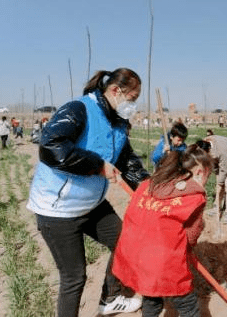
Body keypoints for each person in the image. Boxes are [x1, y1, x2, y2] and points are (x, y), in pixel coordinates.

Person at [27, 68, 150, 317]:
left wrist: (151, 191)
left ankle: (111, 299)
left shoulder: (117, 121)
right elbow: (51, 147)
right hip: (58, 209)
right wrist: (97, 164)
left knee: (124, 242)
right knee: (74, 277)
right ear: (116, 91)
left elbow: (128, 163)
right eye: (133, 99)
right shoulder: (78, 109)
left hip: (92, 204)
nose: (134, 105)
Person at [112, 144, 214, 317]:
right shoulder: (194, 197)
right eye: (208, 177)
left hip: (134, 256)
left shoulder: (147, 184)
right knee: (188, 306)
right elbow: (190, 238)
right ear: (199, 172)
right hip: (163, 263)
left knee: (151, 297)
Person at [198, 135, 227, 224]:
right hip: (221, 157)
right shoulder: (204, 143)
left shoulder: (220, 152)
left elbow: (224, 168)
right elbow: (214, 164)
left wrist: (220, 181)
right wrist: (217, 177)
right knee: (219, 181)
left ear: (208, 150)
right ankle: (217, 207)